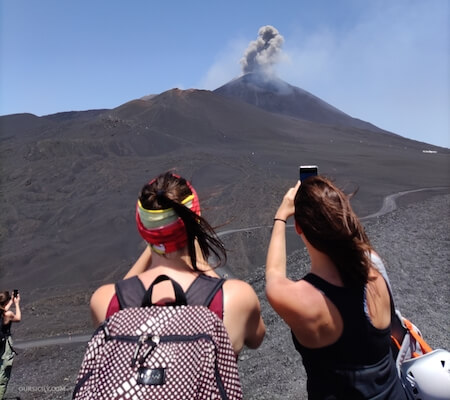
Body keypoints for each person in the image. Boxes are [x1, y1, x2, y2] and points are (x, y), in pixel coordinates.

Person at [91, 171, 265, 356]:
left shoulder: (104, 301)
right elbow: (257, 338)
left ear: (142, 227)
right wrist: (193, 237)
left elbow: (122, 296)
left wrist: (157, 240)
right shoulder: (234, 299)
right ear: (194, 220)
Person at [265, 176, 408, 400]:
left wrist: (281, 215)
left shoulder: (301, 299)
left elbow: (274, 274)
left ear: (299, 227)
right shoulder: (374, 270)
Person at [0, 290, 21, 400]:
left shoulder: (2, 312)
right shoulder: (7, 314)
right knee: (3, 373)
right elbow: (18, 318)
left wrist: (10, 302)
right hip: (5, 345)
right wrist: (16, 304)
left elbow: (3, 309)